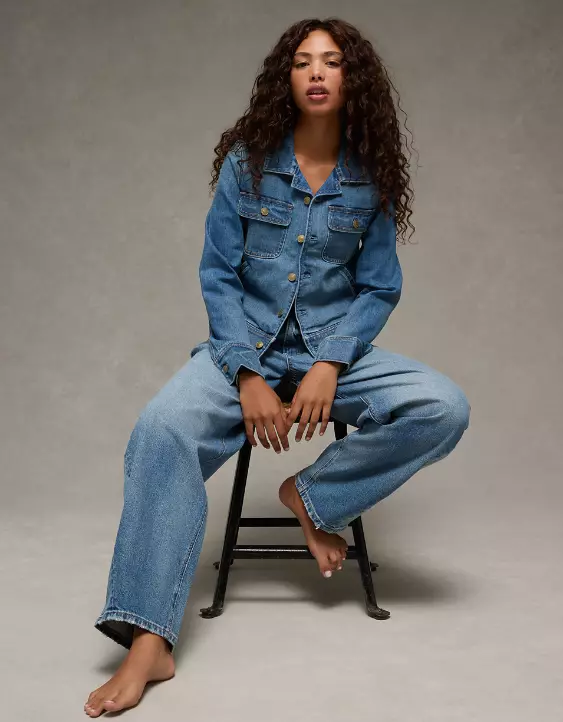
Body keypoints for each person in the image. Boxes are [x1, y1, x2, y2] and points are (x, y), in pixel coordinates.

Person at [84, 16, 471, 717]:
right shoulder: (248, 162)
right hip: (245, 350)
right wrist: (246, 373)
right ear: (284, 79)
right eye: (302, 61)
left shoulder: (371, 174)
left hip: (331, 353)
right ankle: (148, 640)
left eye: (332, 61)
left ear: (352, 79)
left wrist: (329, 363)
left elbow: (378, 288)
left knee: (442, 405)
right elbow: (218, 276)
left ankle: (311, 496)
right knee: (160, 430)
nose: (317, 72)